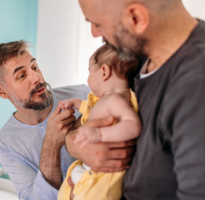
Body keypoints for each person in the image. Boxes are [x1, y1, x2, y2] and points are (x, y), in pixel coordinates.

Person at [65, 0, 205, 199]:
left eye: (98, 23)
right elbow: (93, 116)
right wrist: (74, 143)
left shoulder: (195, 87)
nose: (95, 33)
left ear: (136, 18)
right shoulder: (135, 59)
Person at [0, 40, 92, 200]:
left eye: (35, 67)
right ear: (1, 91)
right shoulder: (6, 143)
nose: (36, 77)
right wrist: (51, 144)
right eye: (22, 75)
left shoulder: (84, 95)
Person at [58, 44, 141, 200]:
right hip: (91, 168)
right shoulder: (106, 99)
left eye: (90, 72)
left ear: (104, 72)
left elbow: (133, 125)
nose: (87, 77)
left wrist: (100, 133)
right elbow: (90, 110)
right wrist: (75, 103)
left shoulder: (116, 100)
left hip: (103, 172)